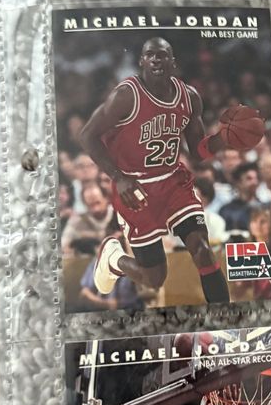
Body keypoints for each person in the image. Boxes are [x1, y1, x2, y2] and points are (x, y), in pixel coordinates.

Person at [80, 37, 231, 303]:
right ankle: (114, 259)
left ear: (173, 62)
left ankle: (226, 317)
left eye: (162, 55)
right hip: (135, 187)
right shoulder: (126, 95)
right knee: (154, 278)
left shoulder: (189, 97)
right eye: (150, 55)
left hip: (173, 181)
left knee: (203, 251)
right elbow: (87, 136)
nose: (156, 60)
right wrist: (118, 177)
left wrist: (223, 139)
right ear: (141, 61)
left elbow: (197, 152)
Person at [61, 182, 115, 254]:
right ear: (85, 204)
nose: (96, 208)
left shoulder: (118, 215)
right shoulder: (76, 221)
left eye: (97, 203)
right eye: (91, 204)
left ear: (106, 199)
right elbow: (63, 246)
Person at [220, 162, 264, 233]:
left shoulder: (263, 208)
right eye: (249, 179)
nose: (254, 182)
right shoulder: (227, 210)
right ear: (238, 183)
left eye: (256, 178)